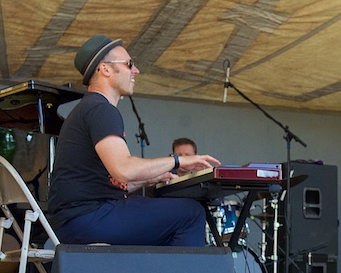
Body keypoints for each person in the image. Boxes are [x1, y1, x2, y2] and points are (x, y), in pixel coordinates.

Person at [48, 35, 220, 245]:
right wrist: (178, 161)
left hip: (77, 220)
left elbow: (104, 183)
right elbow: (123, 169)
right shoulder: (101, 110)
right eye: (129, 64)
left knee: (169, 222)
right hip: (87, 218)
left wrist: (148, 179)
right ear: (105, 69)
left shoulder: (89, 108)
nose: (135, 70)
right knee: (191, 213)